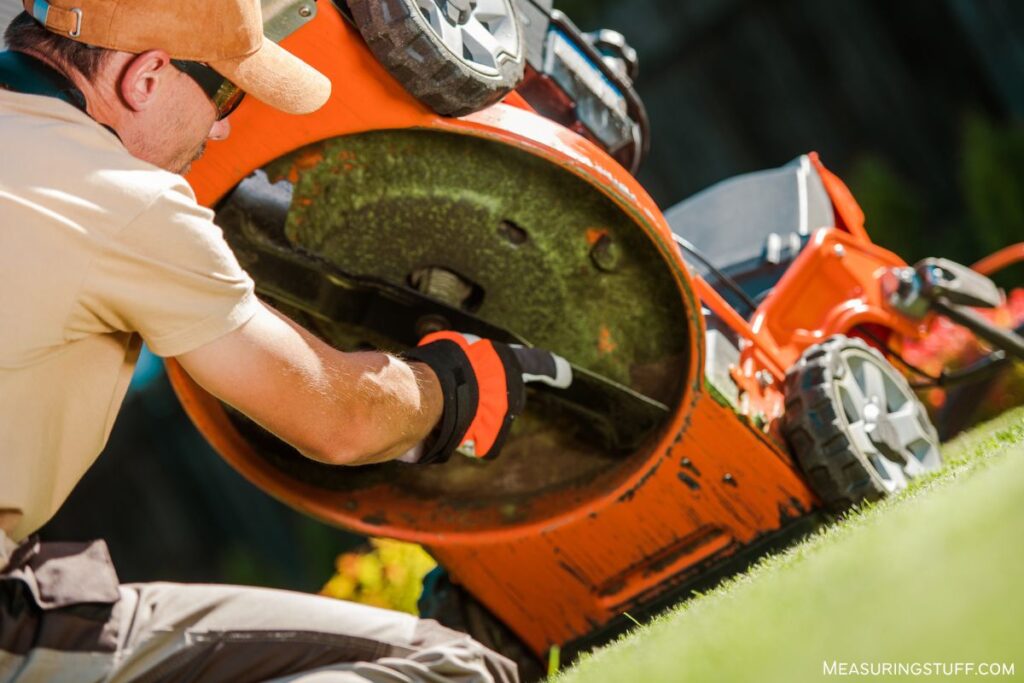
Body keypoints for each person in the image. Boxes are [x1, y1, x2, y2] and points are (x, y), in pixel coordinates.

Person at [0, 0, 571, 680]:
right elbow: (342, 419)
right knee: (451, 666)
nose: (221, 126)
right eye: (224, 92)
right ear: (146, 77)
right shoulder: (118, 195)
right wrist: (454, 385)